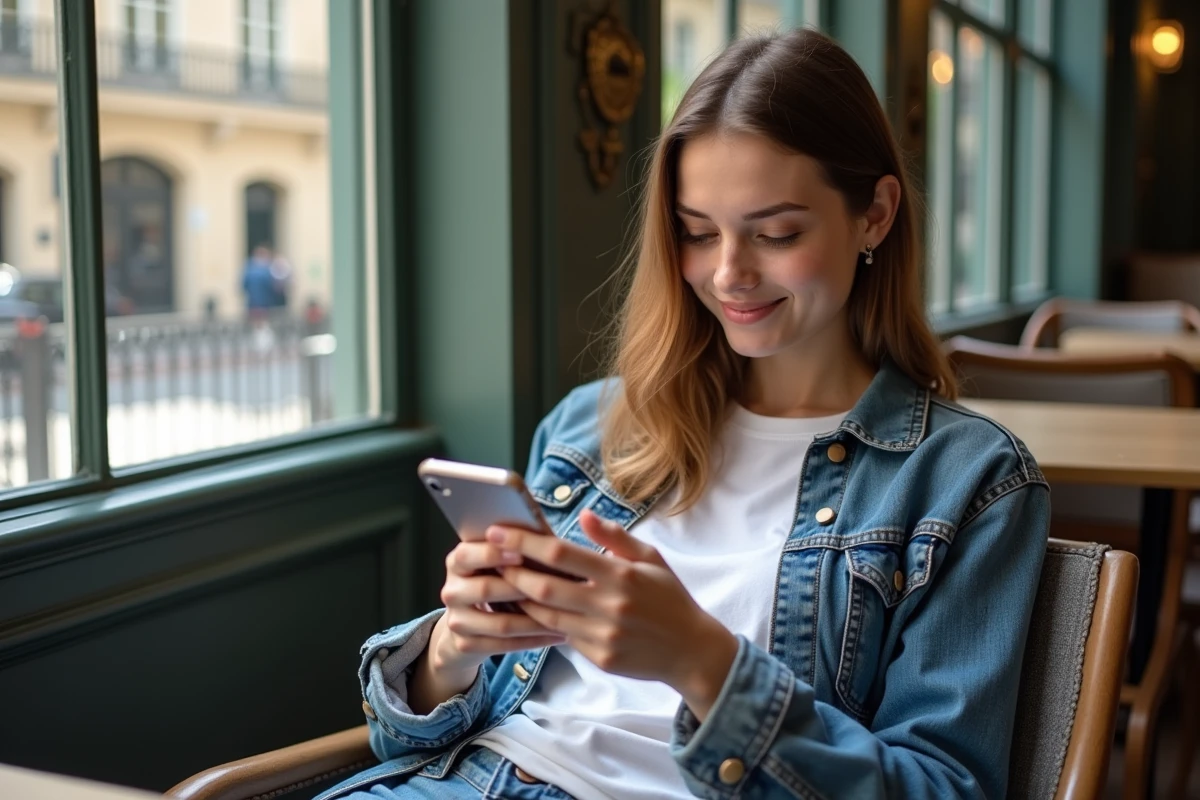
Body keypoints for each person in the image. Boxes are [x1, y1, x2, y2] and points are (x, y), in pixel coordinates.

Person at [319, 29, 1049, 800]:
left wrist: (700, 660)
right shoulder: (589, 427)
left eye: (777, 233)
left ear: (874, 214)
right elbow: (400, 736)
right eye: (697, 233)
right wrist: (454, 650)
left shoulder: (970, 481)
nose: (729, 273)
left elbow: (944, 787)